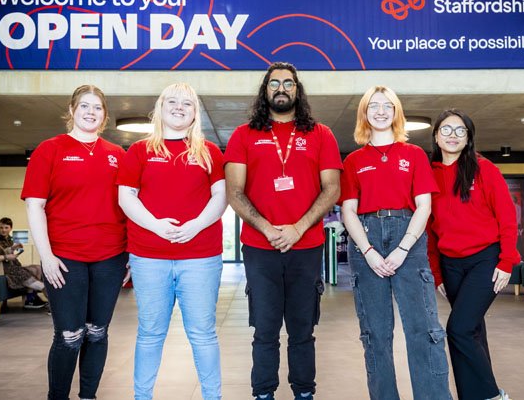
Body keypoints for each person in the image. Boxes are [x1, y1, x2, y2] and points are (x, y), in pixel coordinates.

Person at [224, 62, 342, 400]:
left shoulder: (321, 135)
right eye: (274, 83)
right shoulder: (244, 135)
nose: (281, 88)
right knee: (265, 329)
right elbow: (234, 192)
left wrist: (297, 228)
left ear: (297, 90)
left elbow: (331, 188)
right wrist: (268, 229)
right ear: (265, 91)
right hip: (260, 249)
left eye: (288, 83)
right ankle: (264, 393)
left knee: (303, 329)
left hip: (306, 247)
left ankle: (304, 392)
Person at [339, 86, 452, 400]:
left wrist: (403, 248)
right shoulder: (353, 160)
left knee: (423, 330)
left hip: (409, 237)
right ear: (364, 113)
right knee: (375, 334)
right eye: (373, 106)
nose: (380, 111)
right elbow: (348, 210)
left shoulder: (414, 155)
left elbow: (424, 206)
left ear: (396, 112)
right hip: (367, 237)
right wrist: (369, 251)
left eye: (387, 106)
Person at [116, 83, 227, 400]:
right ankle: (142, 396)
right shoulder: (140, 151)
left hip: (200, 257)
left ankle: (212, 396)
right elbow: (127, 197)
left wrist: (195, 226)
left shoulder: (209, 152)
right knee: (150, 333)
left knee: (203, 334)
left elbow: (220, 197)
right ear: (160, 108)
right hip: (149, 257)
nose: (179, 107)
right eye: (173, 101)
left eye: (187, 104)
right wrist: (155, 226)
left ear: (195, 114)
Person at [22, 84, 129, 400]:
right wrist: (46, 256)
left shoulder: (117, 155)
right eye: (84, 106)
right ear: (71, 110)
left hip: (110, 256)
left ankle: (88, 396)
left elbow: (129, 206)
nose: (91, 112)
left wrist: (130, 256)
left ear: (104, 115)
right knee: (70, 335)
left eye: (97, 107)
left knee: (97, 333)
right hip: (65, 257)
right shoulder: (50, 149)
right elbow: (34, 205)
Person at [426, 109, 521, 400]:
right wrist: (436, 273)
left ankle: (492, 395)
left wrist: (506, 261)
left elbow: (507, 216)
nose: (452, 135)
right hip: (451, 264)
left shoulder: (484, 169)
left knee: (458, 329)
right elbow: (429, 229)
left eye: (460, 131)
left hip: (486, 259)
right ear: (436, 137)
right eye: (446, 129)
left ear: (468, 139)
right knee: (473, 331)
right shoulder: (429, 174)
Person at [0, 217, 47, 309]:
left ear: (10, 228)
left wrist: (12, 248)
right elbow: (0, 254)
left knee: (37, 268)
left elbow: (4, 251)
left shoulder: (8, 239)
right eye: (1, 228)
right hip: (6, 266)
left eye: (6, 227)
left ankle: (31, 297)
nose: (3, 230)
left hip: (13, 263)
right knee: (24, 273)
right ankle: (40, 292)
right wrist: (9, 254)